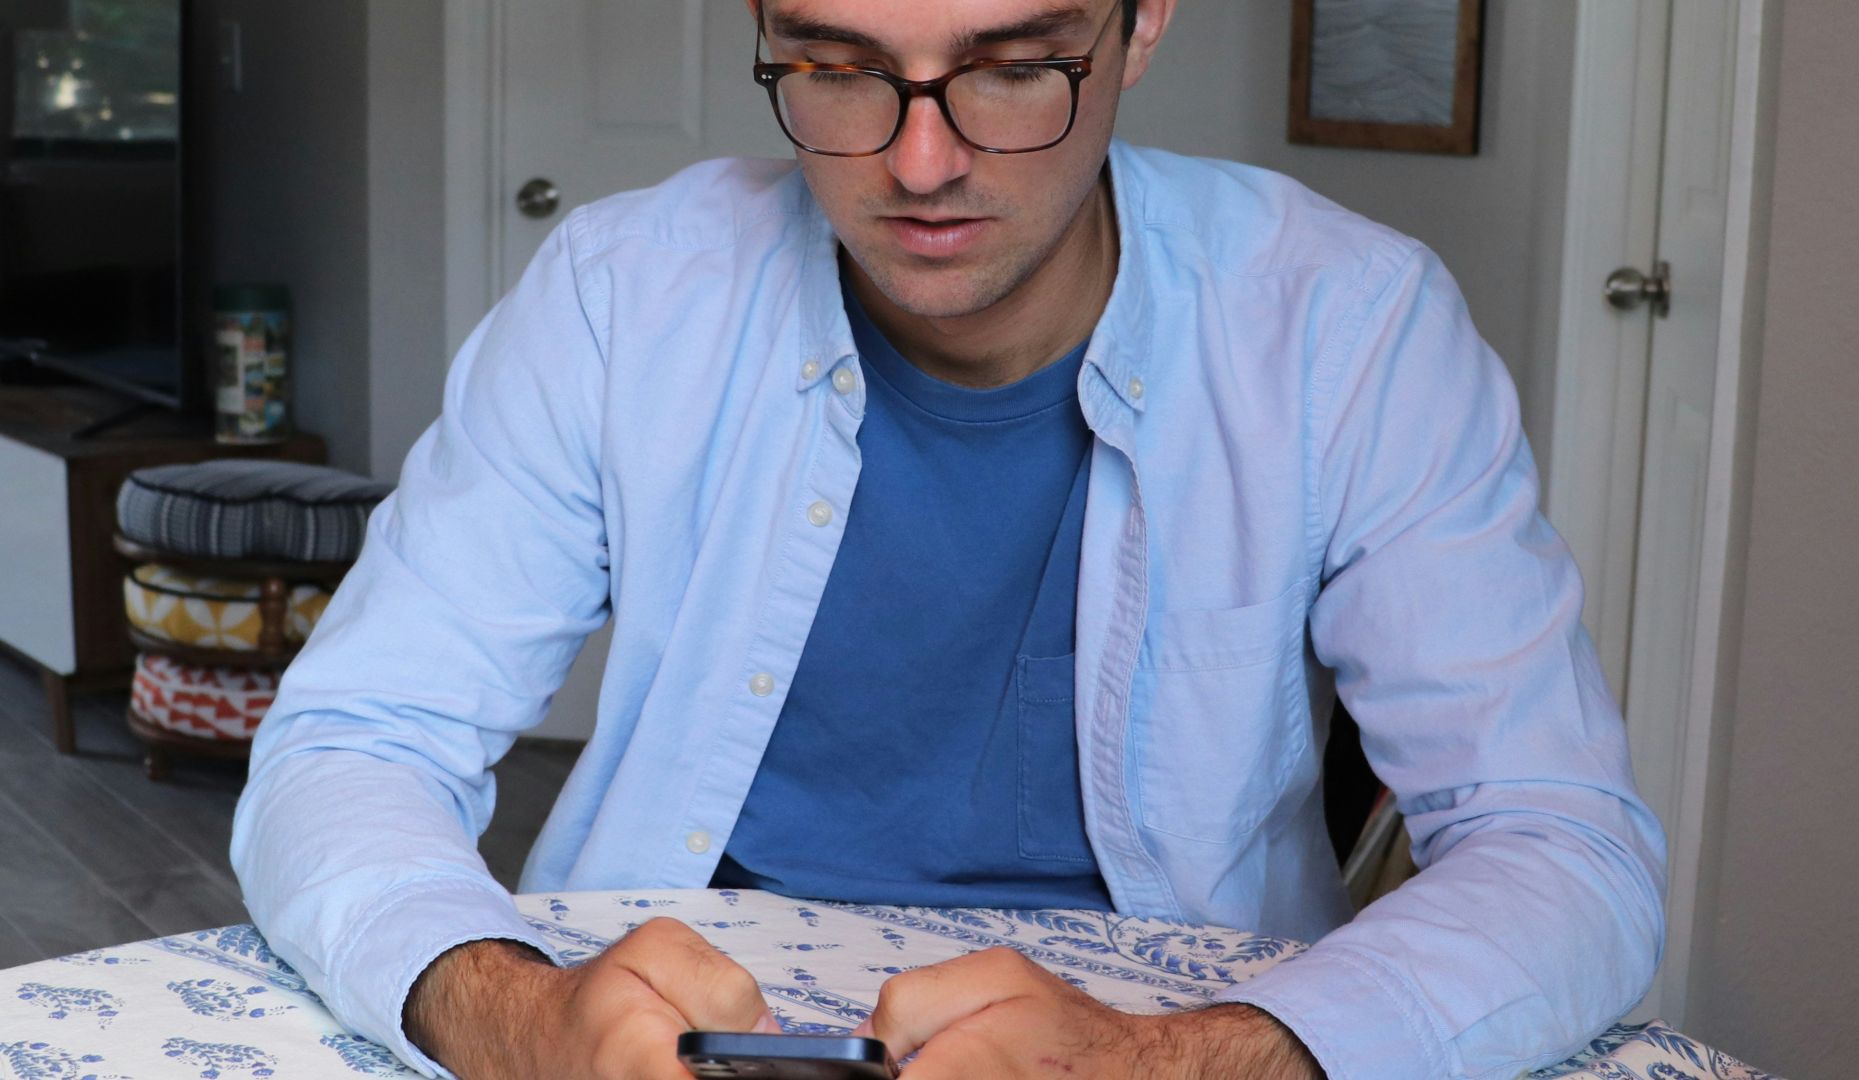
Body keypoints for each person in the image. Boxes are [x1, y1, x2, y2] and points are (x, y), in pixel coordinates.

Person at [231, 0, 1668, 1076]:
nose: (921, 163)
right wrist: (519, 1014)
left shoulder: (1350, 328)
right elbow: (354, 742)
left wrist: (1170, 1066)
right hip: (687, 1023)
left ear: (1140, 22)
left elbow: (1562, 846)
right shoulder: (620, 296)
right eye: (841, 69)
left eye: (1012, 66)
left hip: (1167, 1036)